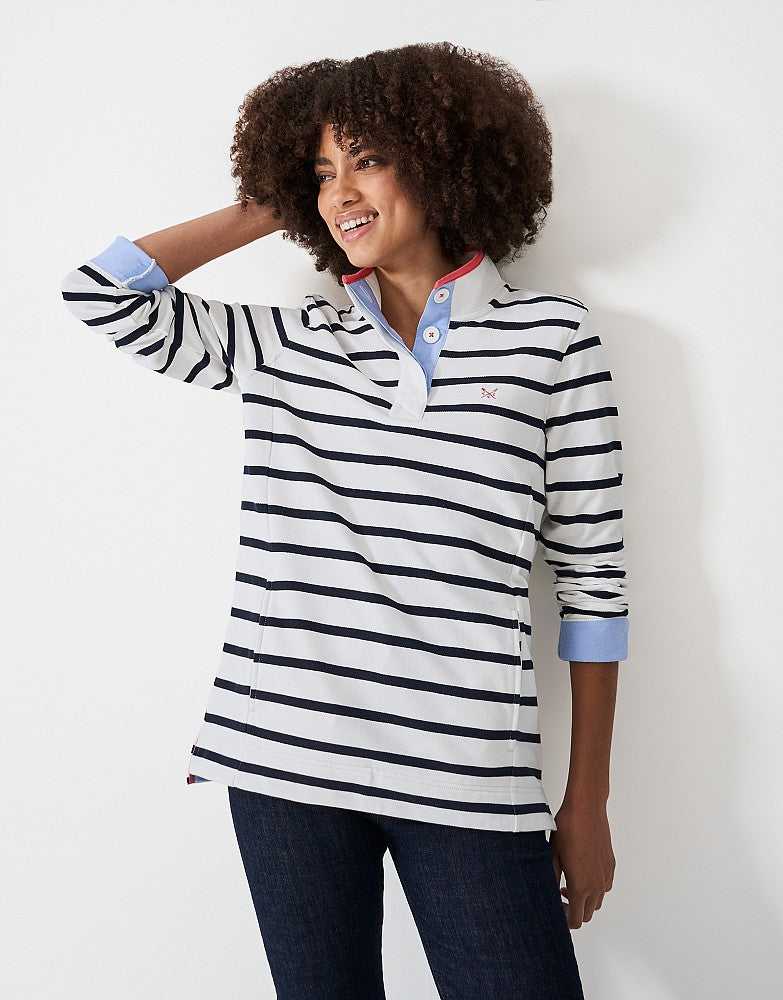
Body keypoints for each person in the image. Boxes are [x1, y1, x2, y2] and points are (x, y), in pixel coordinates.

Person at [60, 41, 628, 1000]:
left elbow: (594, 583)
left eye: (366, 160)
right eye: (322, 170)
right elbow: (99, 290)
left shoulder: (553, 340)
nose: (340, 192)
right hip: (283, 762)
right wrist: (273, 202)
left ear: (441, 161)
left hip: (468, 773)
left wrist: (587, 801)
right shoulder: (288, 343)